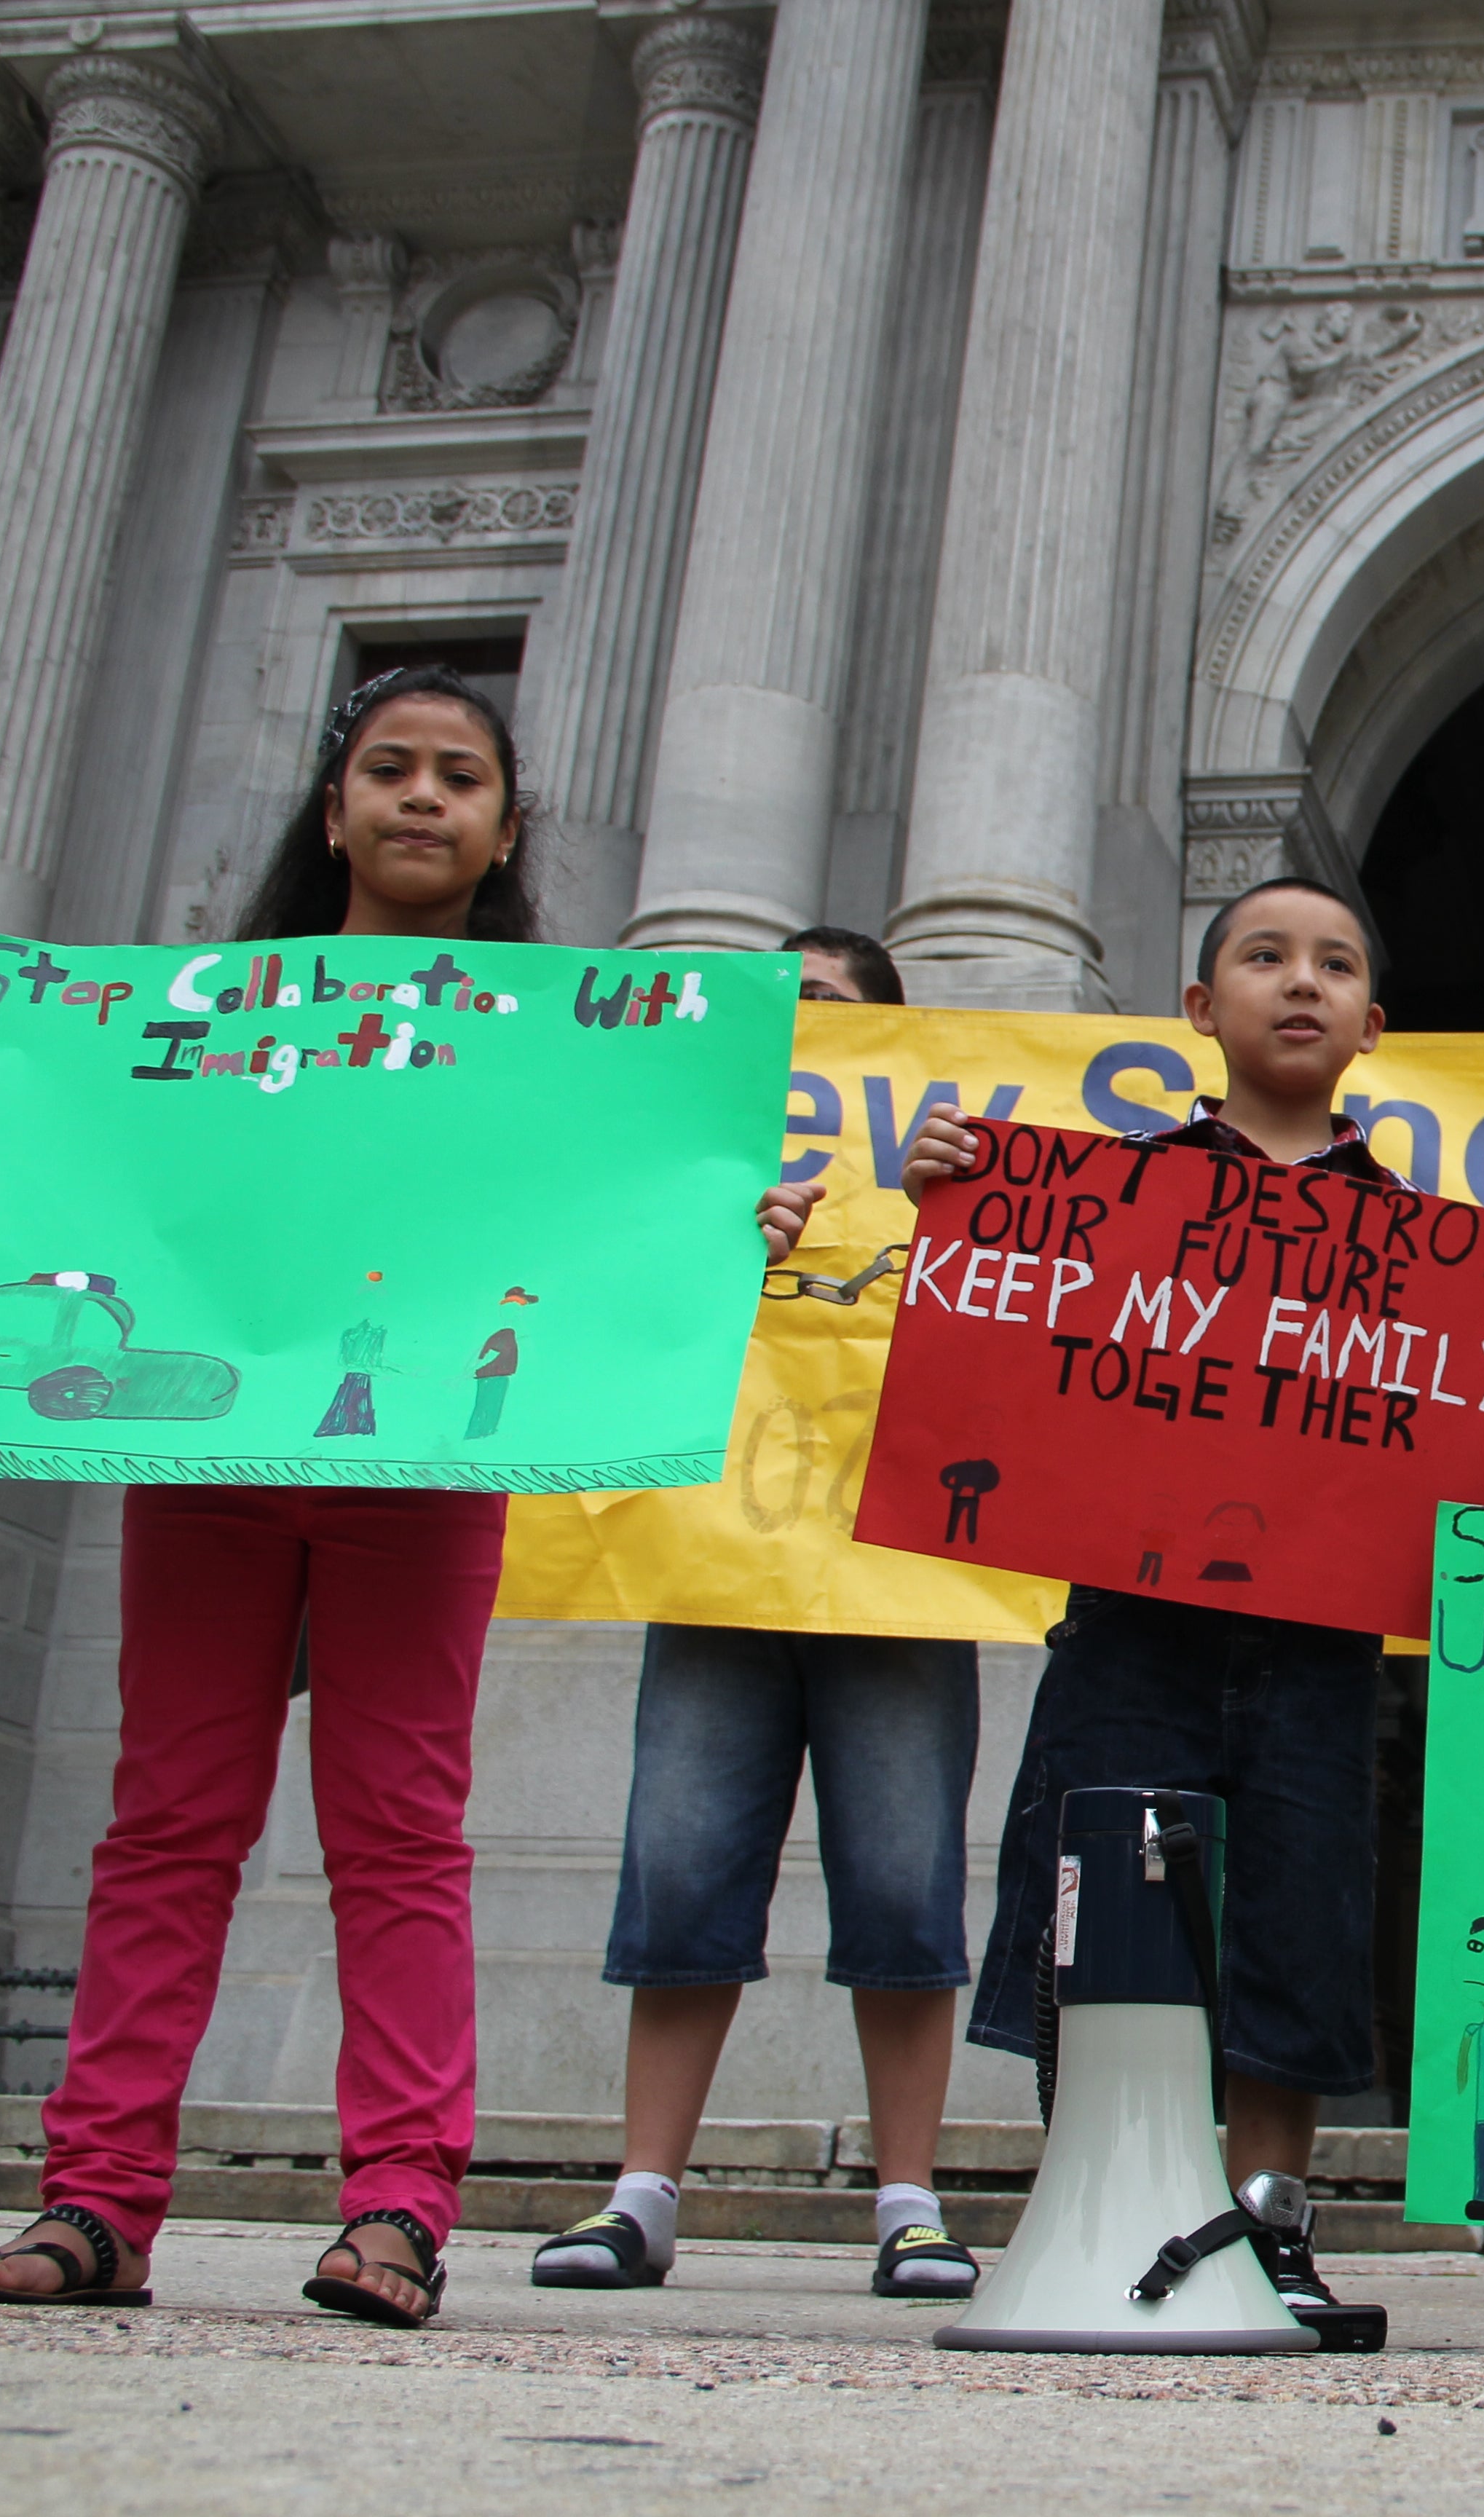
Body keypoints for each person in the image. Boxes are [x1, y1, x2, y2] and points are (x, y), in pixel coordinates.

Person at [0, 665, 546, 2328]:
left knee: (397, 1830)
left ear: (502, 835)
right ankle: (99, 2203)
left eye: (460, 778)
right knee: (168, 1821)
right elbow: (55, 1174)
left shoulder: (558, 1054)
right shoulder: (197, 1015)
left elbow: (587, 1245)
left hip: (415, 1467)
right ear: (331, 806)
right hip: (206, 1459)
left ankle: (402, 2204)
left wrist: (719, 1232)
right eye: (389, 768)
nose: (422, 797)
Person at [901, 877, 1484, 2336]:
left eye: (1335, 964)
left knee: (1297, 1910)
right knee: (1107, 1918)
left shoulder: (1435, 1246)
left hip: (1318, 1650)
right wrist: (947, 1192)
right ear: (1199, 1009)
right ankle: (1098, 2211)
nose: (1302, 983)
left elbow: (1467, 1417)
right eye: (1265, 958)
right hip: (1133, 1635)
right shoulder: (1105, 1195)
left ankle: (1273, 2230)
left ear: (1372, 1024)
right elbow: (1011, 1348)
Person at [532, 926, 987, 2302]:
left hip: (900, 1575)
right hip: (714, 1568)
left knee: (906, 1884)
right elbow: (599, 1327)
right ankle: (643, 2194)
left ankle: (910, 2199)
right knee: (680, 1866)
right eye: (781, 1006)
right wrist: (714, 1252)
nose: (801, 1025)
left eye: (833, 1009)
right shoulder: (685, 1184)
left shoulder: (958, 1175)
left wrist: (934, 1216)